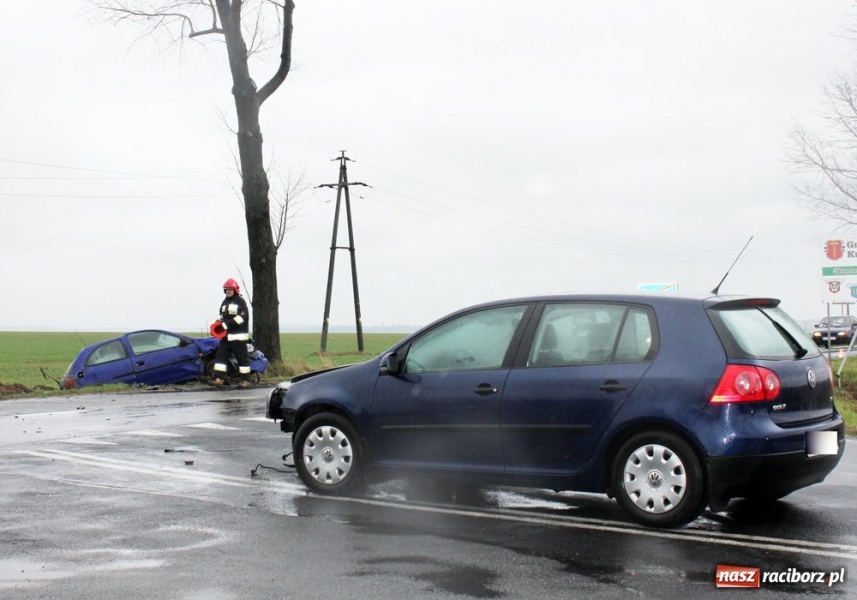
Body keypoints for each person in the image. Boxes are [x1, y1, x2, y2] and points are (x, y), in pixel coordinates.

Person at [211, 278, 252, 388]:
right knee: (220, 358)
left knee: (242, 359)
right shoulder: (225, 302)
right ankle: (219, 379)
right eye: (226, 289)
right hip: (226, 338)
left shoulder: (240, 301)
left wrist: (227, 324)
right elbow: (222, 316)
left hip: (238, 338)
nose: (228, 291)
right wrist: (218, 324)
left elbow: (242, 317)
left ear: (235, 290)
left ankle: (245, 380)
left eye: (230, 289)